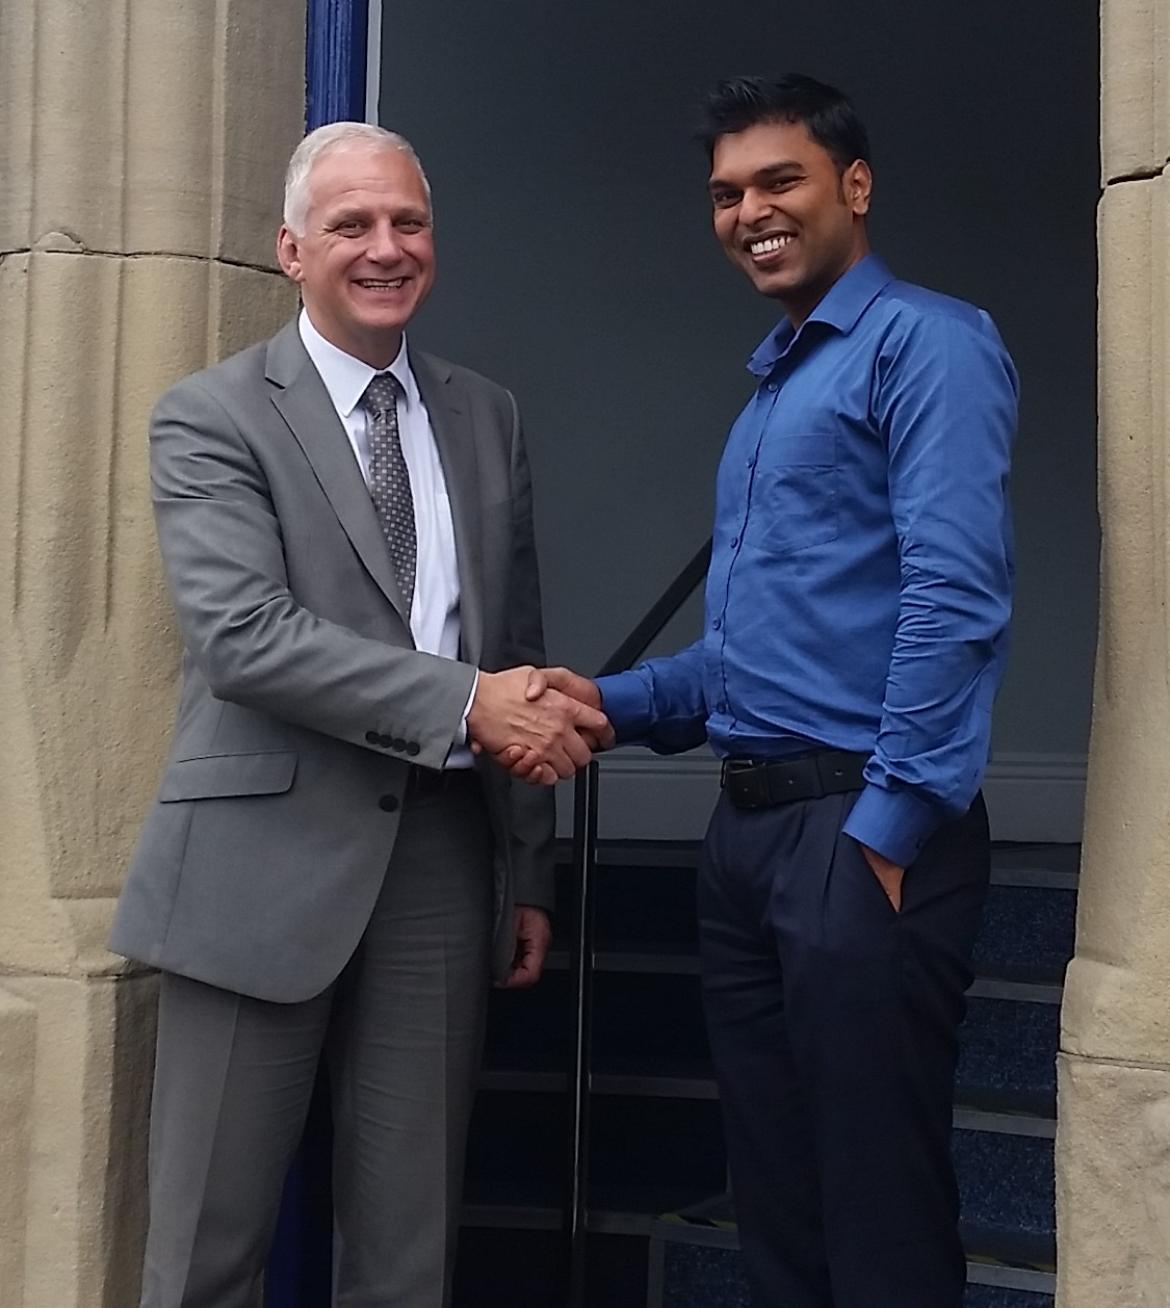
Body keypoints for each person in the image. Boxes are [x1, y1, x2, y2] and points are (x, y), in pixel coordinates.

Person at [504, 74, 1017, 1308]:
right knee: (775, 1200)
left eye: (779, 181)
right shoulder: (775, 390)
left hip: (861, 829)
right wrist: (608, 701)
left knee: (877, 1207)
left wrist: (889, 828)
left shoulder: (930, 345)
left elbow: (955, 600)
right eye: (727, 194)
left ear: (856, 185)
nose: (750, 213)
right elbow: (751, 658)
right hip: (748, 839)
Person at [110, 121, 609, 1308]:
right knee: (205, 1250)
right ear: (292, 251)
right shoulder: (212, 415)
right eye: (352, 225)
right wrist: (469, 705)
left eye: (408, 222)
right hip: (254, 867)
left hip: (441, 860)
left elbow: (511, 642)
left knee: (407, 1251)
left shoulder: (487, 414)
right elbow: (245, 638)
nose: (387, 247)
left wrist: (525, 870)